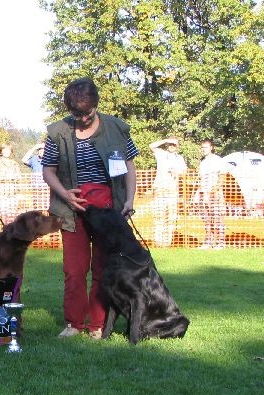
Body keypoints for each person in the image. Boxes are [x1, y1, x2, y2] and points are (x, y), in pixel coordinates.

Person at [42, 77, 138, 340]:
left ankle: (97, 324)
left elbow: (129, 166)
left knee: (103, 267)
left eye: (88, 112)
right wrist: (65, 195)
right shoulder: (57, 132)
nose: (83, 118)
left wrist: (130, 199)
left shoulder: (117, 128)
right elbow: (48, 170)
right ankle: (74, 323)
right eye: (76, 114)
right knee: (74, 269)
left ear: (96, 104)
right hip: (71, 209)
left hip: (109, 212)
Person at [150, 136, 187, 247]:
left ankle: (167, 242)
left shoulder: (179, 158)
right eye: (170, 144)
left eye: (174, 144)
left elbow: (184, 172)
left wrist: (177, 172)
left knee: (171, 217)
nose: (172, 146)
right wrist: (166, 140)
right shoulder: (161, 153)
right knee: (159, 215)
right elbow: (151, 146)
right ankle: (158, 242)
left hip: (172, 190)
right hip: (160, 189)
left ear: (178, 146)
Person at [192, 139, 227, 249]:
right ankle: (208, 241)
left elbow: (222, 177)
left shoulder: (218, 160)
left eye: (206, 147)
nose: (203, 149)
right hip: (203, 193)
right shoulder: (202, 162)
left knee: (217, 218)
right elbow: (201, 179)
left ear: (211, 148)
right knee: (206, 219)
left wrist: (215, 190)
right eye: (202, 147)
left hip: (214, 194)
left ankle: (220, 242)